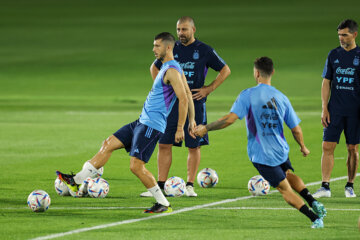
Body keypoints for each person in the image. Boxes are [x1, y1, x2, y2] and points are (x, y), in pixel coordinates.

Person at [56, 32, 196, 213]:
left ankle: (163, 203)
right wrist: (192, 120)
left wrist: (180, 127)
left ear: (168, 47)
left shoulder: (172, 71)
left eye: (157, 46)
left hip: (151, 126)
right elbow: (188, 95)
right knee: (108, 144)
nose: (153, 49)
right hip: (141, 121)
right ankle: (75, 182)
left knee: (136, 166)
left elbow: (183, 98)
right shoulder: (169, 67)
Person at [194, 57, 326, 228]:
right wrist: (302, 146)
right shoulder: (281, 97)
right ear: (272, 72)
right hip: (281, 150)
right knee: (287, 173)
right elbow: (296, 129)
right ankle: (313, 201)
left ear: (256, 73)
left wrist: (206, 128)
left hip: (262, 154)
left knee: (284, 189)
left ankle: (314, 218)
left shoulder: (248, 95)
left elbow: (229, 119)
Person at [141, 16, 231, 197]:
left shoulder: (204, 50)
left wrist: (209, 89)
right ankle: (159, 185)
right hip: (172, 106)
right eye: (178, 30)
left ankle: (189, 185)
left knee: (193, 144)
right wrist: (165, 89)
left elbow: (225, 70)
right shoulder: (173, 50)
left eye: (184, 30)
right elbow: (154, 67)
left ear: (193, 30)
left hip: (195, 104)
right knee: (164, 143)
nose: (181, 33)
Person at [313, 19, 360, 198]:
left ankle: (350, 185)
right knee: (327, 146)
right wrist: (325, 108)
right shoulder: (333, 54)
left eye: (344, 35)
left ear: (354, 35)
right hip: (335, 110)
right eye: (339, 35)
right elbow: (326, 82)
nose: (341, 38)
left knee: (352, 148)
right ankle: (325, 186)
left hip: (355, 111)